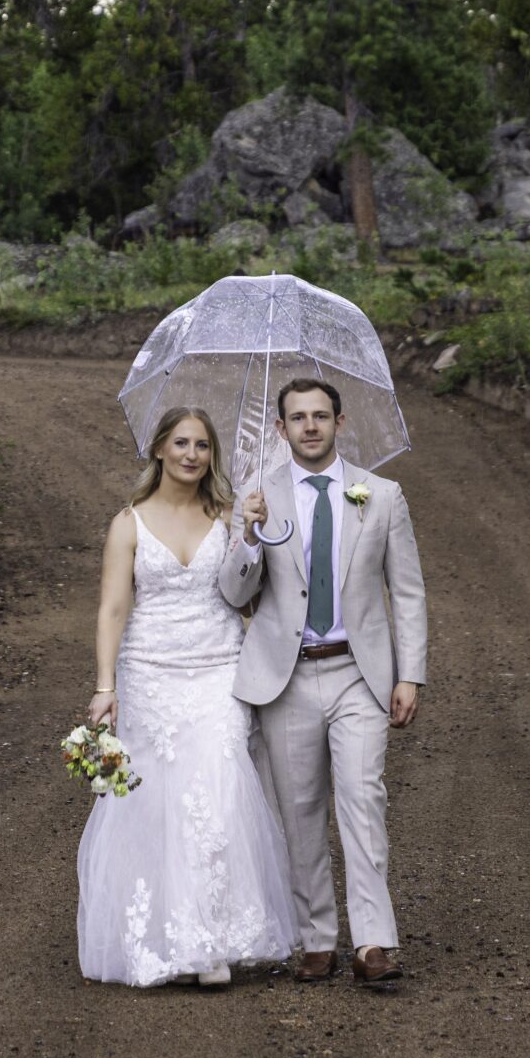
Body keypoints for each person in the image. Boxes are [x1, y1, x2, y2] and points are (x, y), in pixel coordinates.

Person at [77, 407, 298, 986]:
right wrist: (106, 686)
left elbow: (245, 594)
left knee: (220, 790)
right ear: (158, 450)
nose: (192, 454)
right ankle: (167, 938)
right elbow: (113, 609)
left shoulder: (227, 514)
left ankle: (215, 941)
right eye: (181, 443)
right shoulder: (128, 523)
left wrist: (248, 533)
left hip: (218, 670)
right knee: (156, 804)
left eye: (202, 445)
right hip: (149, 673)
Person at [221, 376, 428, 986]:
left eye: (320, 415)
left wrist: (410, 674)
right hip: (285, 677)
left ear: (339, 422)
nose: (309, 426)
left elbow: (408, 590)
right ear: (280, 430)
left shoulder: (381, 495)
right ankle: (316, 937)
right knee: (299, 809)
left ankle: (372, 942)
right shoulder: (257, 497)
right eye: (297, 417)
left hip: (358, 674)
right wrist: (247, 535)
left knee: (363, 803)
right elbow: (235, 593)